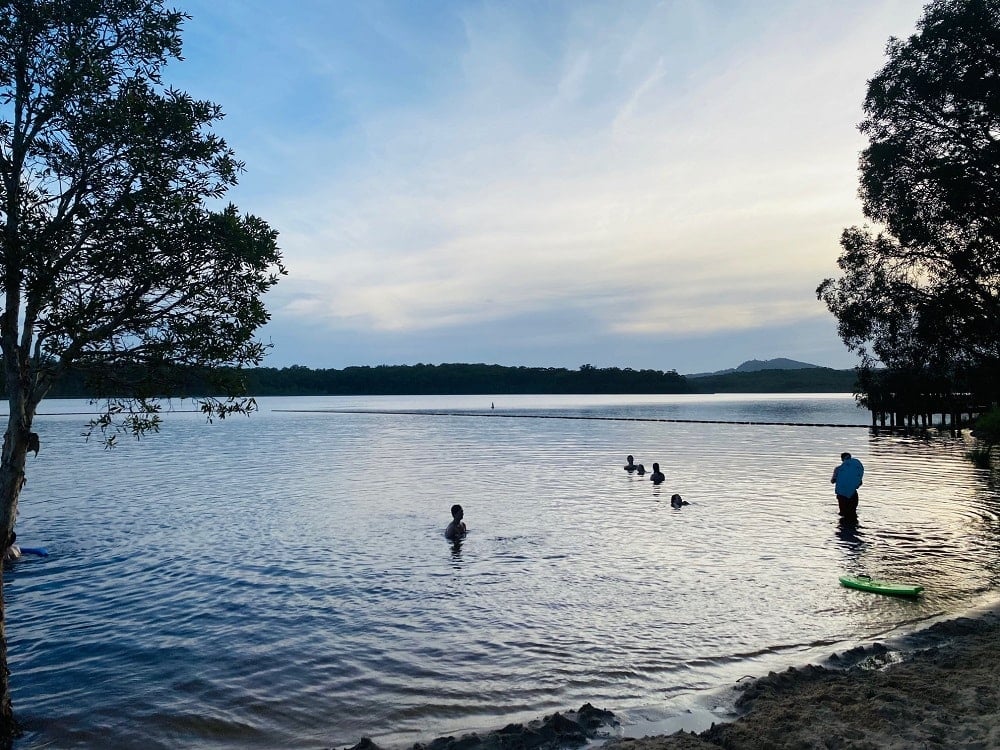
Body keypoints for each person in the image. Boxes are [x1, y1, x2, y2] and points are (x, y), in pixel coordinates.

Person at [831, 452, 864, 518]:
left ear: (842, 459)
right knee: (853, 513)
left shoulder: (838, 469)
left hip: (841, 494)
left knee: (843, 513)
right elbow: (860, 483)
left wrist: (840, 479)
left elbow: (833, 481)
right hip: (852, 494)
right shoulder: (855, 469)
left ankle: (843, 527)